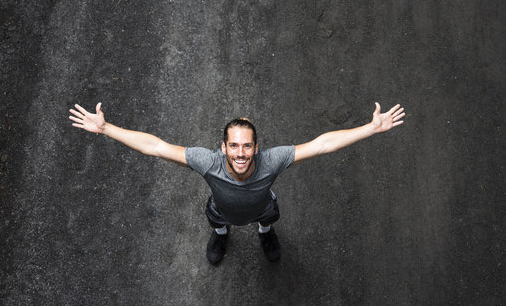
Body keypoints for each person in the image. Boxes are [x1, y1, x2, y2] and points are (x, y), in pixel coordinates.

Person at [69, 102, 405, 265]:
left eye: (247, 146)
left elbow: (322, 144)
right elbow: (156, 146)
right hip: (221, 209)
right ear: (223, 147)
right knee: (218, 223)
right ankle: (221, 237)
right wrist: (106, 128)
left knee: (267, 219)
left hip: (263, 206)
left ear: (256, 148)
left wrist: (369, 129)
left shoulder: (272, 160)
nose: (241, 153)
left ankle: (265, 233)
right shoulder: (207, 161)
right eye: (234, 146)